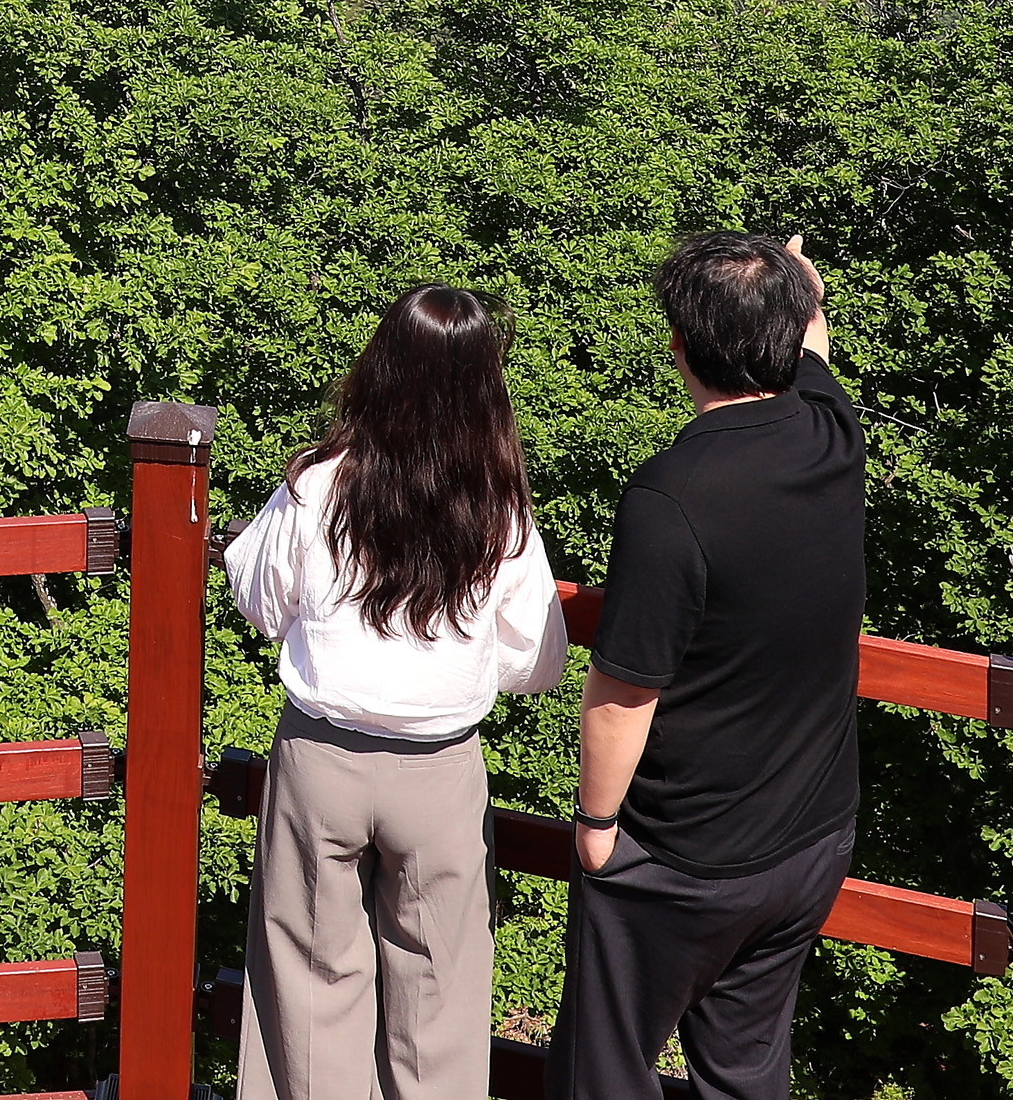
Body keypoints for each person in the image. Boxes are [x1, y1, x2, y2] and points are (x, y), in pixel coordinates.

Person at [224, 285, 568, 1100]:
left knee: (309, 993)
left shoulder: (318, 484)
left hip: (321, 759)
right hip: (440, 771)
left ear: (380, 367)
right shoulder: (499, 508)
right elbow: (538, 659)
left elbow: (260, 598)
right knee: (439, 1001)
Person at [559, 232, 864, 1100]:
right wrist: (800, 285)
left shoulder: (671, 494)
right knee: (743, 1071)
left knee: (603, 1071)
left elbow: (625, 690)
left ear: (680, 347)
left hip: (687, 853)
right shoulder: (831, 432)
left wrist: (596, 825)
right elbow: (815, 346)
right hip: (811, 835)